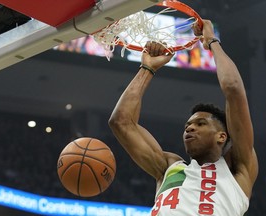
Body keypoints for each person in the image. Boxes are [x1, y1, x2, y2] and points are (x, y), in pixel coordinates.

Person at [108, 19, 258, 216]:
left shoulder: (238, 171)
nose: (189, 128)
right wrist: (148, 68)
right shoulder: (169, 167)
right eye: (188, 125)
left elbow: (232, 87)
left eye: (200, 123)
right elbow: (121, 122)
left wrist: (211, 41)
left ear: (221, 136)